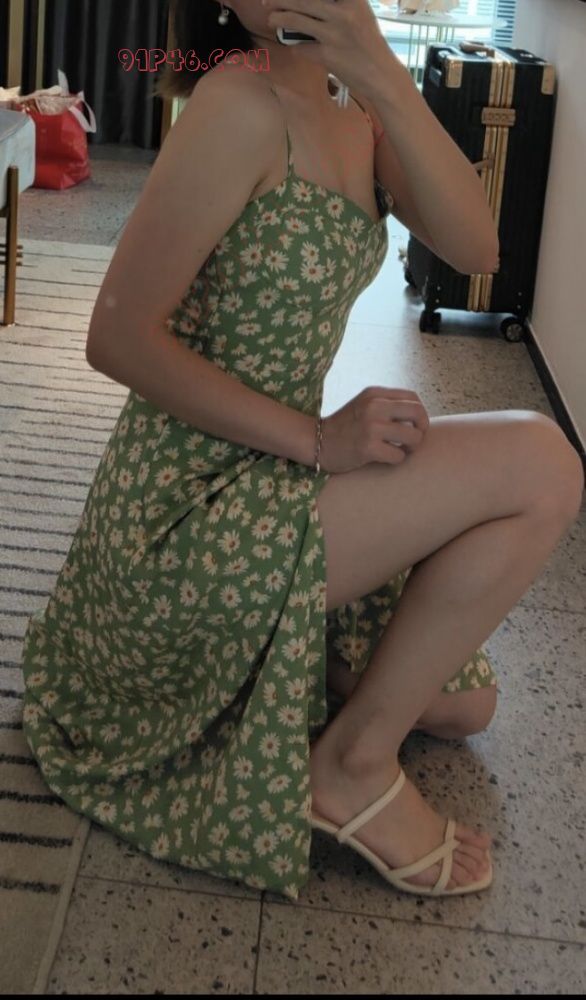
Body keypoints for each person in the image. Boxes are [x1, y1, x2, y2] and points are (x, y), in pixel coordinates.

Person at [20, 0, 584, 902]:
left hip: (272, 478)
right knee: (543, 461)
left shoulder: (352, 103)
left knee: (462, 704)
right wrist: (319, 439)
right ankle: (349, 769)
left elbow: (478, 247)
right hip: (185, 513)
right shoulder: (238, 105)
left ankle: (266, 668)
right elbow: (116, 338)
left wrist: (379, 68)